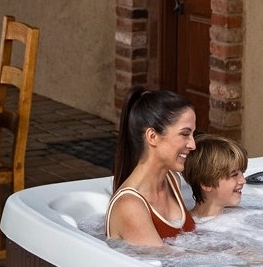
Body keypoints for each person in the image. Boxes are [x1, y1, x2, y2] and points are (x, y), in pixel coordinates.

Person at [106, 87, 197, 245]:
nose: (193, 144)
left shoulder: (172, 181)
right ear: (152, 137)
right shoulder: (129, 206)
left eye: (193, 134)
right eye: (184, 134)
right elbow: (169, 261)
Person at [182, 134, 249, 219]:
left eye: (242, 172)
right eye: (234, 175)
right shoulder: (192, 226)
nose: (243, 180)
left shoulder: (240, 214)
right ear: (207, 184)